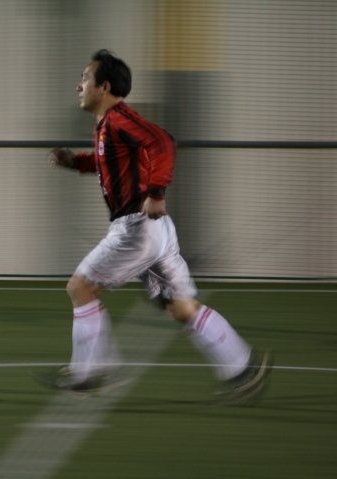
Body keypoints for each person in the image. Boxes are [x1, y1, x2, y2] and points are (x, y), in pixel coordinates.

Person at [35, 49, 272, 405]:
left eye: (84, 78)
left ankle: (90, 372)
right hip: (157, 232)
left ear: (104, 87)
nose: (78, 86)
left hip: (136, 229)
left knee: (80, 287)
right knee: (181, 307)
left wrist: (157, 192)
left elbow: (162, 142)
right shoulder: (108, 125)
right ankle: (243, 366)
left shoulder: (118, 120)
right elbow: (111, 163)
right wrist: (76, 162)